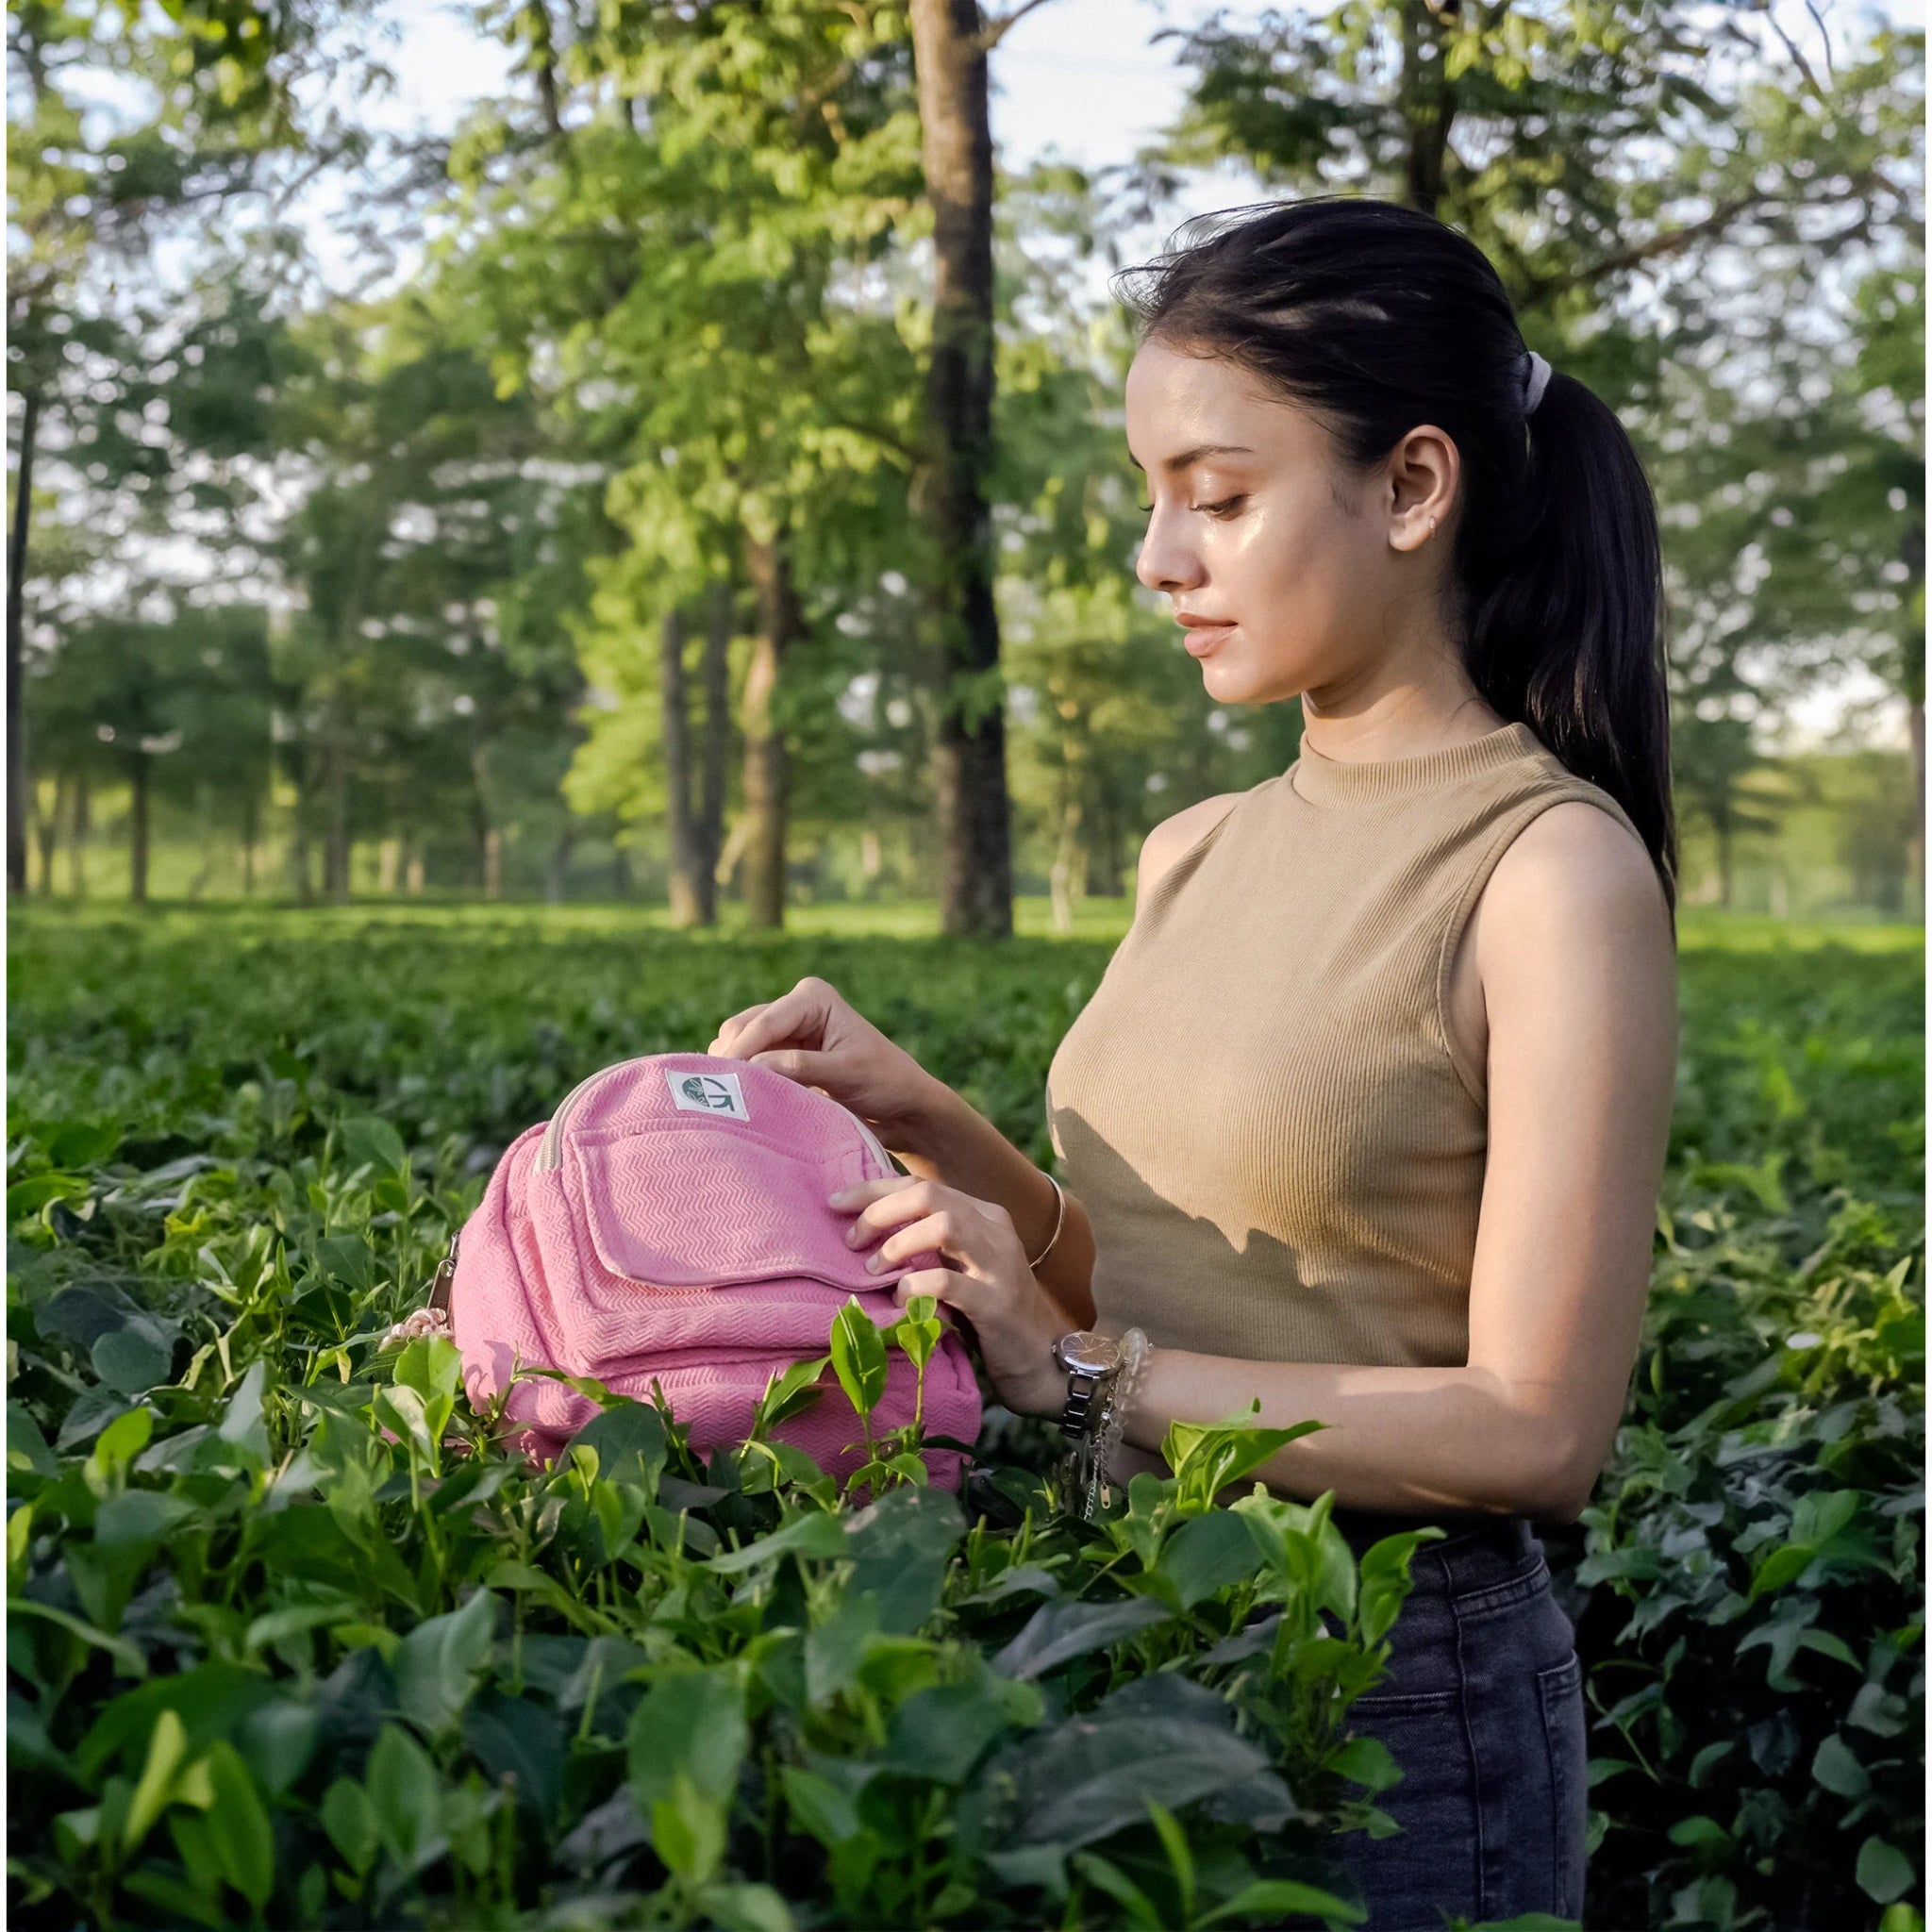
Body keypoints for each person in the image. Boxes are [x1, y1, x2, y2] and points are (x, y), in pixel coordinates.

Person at [708, 195, 1678, 1930]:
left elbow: (1536, 1432)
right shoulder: (1196, 847)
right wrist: (923, 1119)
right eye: (1153, 499)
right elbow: (1136, 1275)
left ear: (1411, 489)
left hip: (1384, 1690)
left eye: (1218, 500)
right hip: (1113, 1634)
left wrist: (1081, 1373)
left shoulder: (1550, 872)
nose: (1159, 559)